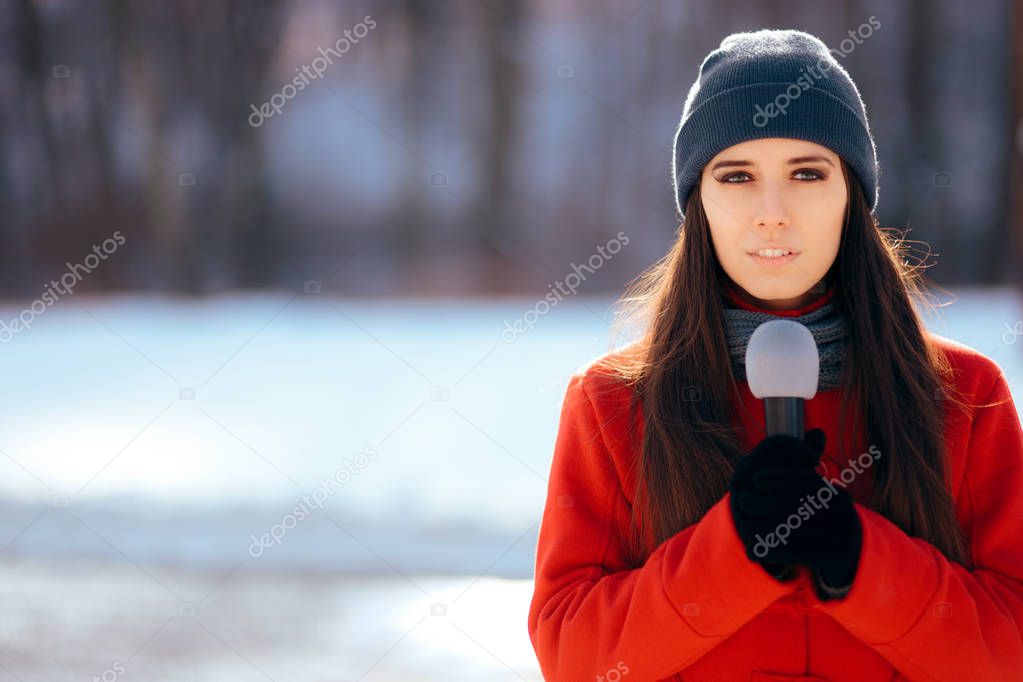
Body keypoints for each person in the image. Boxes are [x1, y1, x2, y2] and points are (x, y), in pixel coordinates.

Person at [527, 28, 1023, 681]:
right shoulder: (612, 401)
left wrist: (862, 561)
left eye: (806, 173)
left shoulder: (963, 391)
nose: (771, 212)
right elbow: (573, 658)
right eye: (735, 175)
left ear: (852, 195)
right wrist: (731, 553)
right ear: (696, 202)